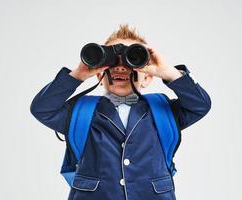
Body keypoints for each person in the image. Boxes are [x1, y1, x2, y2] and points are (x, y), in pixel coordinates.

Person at [30, 24, 212, 200]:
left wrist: (167, 72)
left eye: (131, 59)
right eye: (111, 60)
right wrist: (79, 74)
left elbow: (200, 105)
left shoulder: (162, 110)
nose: (120, 66)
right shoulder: (82, 113)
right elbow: (42, 108)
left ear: (148, 77)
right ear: (100, 75)